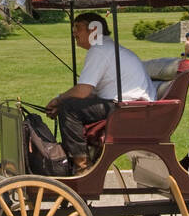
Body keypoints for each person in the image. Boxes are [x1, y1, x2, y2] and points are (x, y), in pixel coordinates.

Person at [45, 13, 153, 174]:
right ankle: (83, 160)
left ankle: (82, 167)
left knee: (69, 108)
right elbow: (88, 94)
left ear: (94, 29)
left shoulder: (100, 49)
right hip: (129, 105)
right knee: (70, 106)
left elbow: (83, 91)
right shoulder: (105, 48)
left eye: (78, 28)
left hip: (128, 107)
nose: (74, 33)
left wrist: (59, 100)